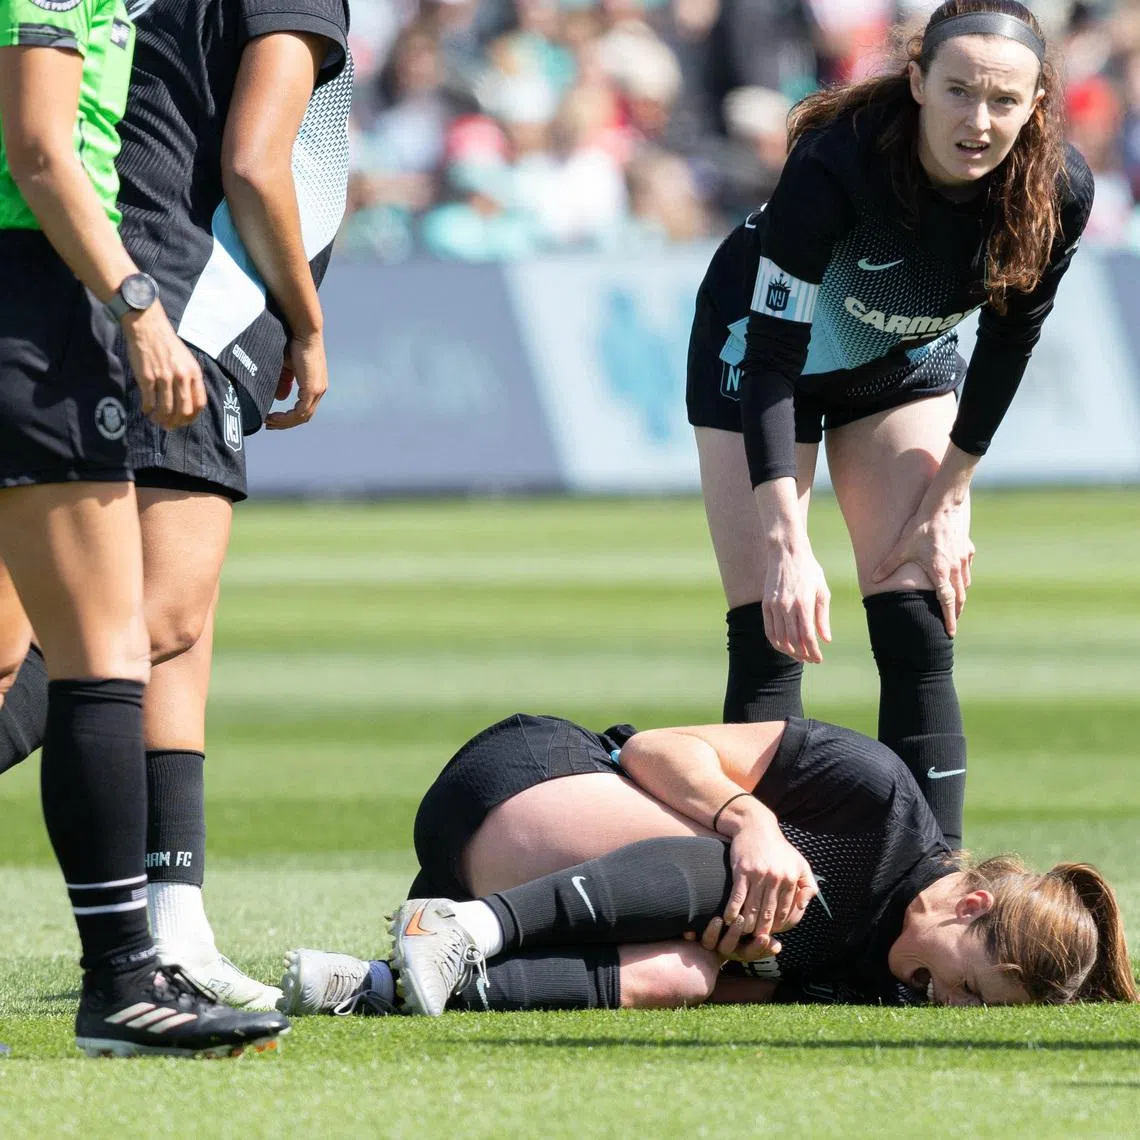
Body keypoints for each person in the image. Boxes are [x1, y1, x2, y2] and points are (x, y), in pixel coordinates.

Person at [0, 0, 354, 1010]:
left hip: (112, 281)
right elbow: (254, 159)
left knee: (134, 634)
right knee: (137, 631)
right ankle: (152, 939)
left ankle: (170, 921)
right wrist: (306, 320)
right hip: (176, 295)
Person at [686, 0, 1094, 850]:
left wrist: (950, 497)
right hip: (760, 356)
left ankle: (929, 884)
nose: (977, 122)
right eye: (957, 91)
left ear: (1037, 106)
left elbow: (1008, 345)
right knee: (773, 627)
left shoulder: (1058, 188)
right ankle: (771, 905)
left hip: (896, 364)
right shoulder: (839, 163)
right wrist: (787, 541)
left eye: (1003, 101)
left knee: (917, 609)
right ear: (916, 82)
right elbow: (771, 354)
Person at [278, 713, 1136, 1017]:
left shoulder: (883, 979)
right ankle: (467, 931)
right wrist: (752, 823)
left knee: (688, 973)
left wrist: (734, 958)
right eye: (971, 989)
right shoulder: (880, 798)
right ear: (971, 903)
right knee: (763, 873)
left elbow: (737, 979)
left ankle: (374, 987)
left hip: (530, 881)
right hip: (522, 785)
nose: (950, 1006)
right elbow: (654, 749)